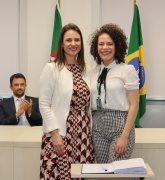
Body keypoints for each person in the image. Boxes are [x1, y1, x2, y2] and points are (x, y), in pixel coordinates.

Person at [39, 23, 94, 180]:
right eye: (68, 40)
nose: (73, 44)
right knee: (58, 175)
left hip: (83, 134)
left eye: (77, 40)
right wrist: (55, 134)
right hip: (60, 133)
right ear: (62, 44)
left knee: (81, 175)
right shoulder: (52, 68)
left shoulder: (87, 70)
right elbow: (43, 104)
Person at [89, 23, 139, 163]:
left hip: (120, 125)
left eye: (109, 44)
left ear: (117, 46)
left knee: (116, 172)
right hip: (98, 125)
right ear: (96, 47)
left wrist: (124, 136)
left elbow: (134, 104)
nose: (105, 48)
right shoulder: (93, 71)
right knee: (103, 172)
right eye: (101, 44)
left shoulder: (127, 70)